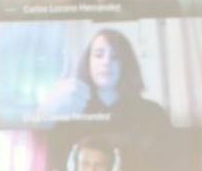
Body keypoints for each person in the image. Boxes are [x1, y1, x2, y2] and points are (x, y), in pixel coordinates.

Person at [31, 28, 170, 130]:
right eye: (98, 55)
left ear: (126, 64)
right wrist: (46, 111)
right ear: (88, 62)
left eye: (115, 57)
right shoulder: (69, 110)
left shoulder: (152, 113)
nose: (106, 62)